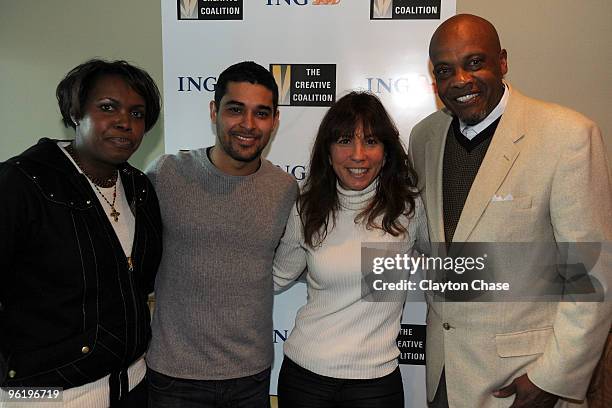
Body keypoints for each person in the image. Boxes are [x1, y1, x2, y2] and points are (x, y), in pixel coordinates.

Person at [408, 14, 612, 408]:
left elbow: (591, 276)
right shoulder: (425, 137)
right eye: (445, 70)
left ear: (502, 61)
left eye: (474, 62)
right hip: (443, 377)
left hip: (526, 383)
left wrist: (551, 379)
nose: (460, 81)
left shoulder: (567, 136)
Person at [0, 59, 163, 407]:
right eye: (108, 107)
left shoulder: (139, 187)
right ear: (75, 112)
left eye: (137, 114)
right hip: (47, 397)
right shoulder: (21, 183)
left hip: (133, 387)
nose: (124, 122)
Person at [145, 61, 298, 408]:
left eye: (261, 113)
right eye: (235, 109)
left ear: (275, 121)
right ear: (214, 111)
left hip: (250, 377)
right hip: (173, 377)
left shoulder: (285, 189)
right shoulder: (167, 175)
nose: (247, 124)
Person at [273, 91, 429, 408]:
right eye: (345, 141)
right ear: (328, 152)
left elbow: (454, 265)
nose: (358, 155)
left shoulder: (408, 208)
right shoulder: (307, 207)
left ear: (386, 152)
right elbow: (277, 276)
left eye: (370, 141)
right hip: (305, 378)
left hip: (376, 384)